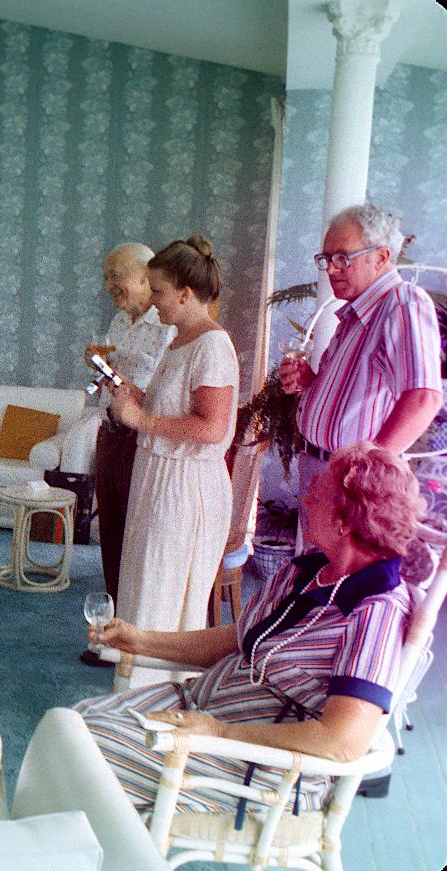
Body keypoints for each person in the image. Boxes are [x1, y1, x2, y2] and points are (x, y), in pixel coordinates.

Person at [76, 443, 423, 814]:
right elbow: (239, 640)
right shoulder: (308, 571)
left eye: (317, 497)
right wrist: (142, 641)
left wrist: (220, 733)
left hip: (255, 764)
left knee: (82, 748)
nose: (305, 502)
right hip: (199, 708)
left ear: (344, 521)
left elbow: (342, 740)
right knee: (76, 722)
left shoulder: (375, 610)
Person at [109, 236, 238, 683]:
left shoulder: (212, 346)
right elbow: (174, 410)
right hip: (159, 479)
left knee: (162, 598)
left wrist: (139, 417)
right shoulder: (180, 340)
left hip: (185, 491)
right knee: (143, 590)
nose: (153, 301)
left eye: (158, 291)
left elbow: (212, 428)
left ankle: (157, 705)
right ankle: (131, 700)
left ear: (185, 293)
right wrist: (134, 397)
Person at [283, 203, 441, 537]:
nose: (331, 269)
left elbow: (423, 396)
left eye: (343, 257)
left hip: (349, 480)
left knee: (335, 580)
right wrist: (311, 383)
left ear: (382, 257)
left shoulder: (402, 302)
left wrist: (365, 471)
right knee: (315, 576)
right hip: (321, 467)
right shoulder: (354, 314)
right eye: (325, 259)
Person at [83, 242, 176, 667]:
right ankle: (109, 628)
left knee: (137, 537)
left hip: (142, 439)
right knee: (111, 533)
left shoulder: (168, 324)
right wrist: (99, 367)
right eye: (106, 277)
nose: (108, 286)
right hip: (110, 433)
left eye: (114, 276)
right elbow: (113, 381)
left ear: (143, 276)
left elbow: (154, 387)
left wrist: (112, 370)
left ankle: (135, 637)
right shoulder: (120, 320)